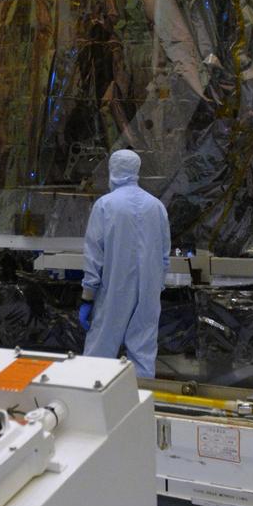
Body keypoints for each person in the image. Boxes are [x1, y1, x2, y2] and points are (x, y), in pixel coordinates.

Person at [79, 149, 171, 377]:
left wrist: (88, 295)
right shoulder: (156, 206)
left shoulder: (105, 205)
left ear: (113, 170)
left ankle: (94, 405)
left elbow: (94, 254)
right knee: (143, 353)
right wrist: (156, 286)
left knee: (99, 353)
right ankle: (139, 403)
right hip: (148, 292)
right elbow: (164, 255)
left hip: (114, 291)